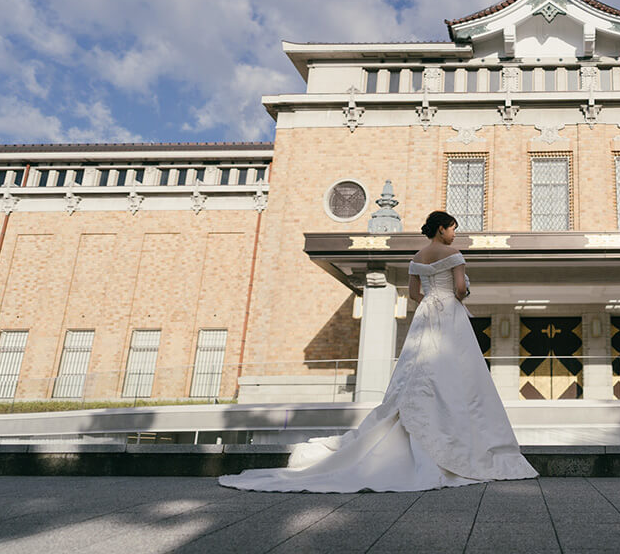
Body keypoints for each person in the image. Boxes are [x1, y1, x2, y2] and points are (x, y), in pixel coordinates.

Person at [220, 210, 537, 492]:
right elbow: (457, 289)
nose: (455, 233)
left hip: (427, 313)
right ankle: (456, 437)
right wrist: (465, 290)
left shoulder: (417, 257)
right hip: (450, 314)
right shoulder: (453, 253)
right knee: (459, 371)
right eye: (452, 228)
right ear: (441, 229)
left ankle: (412, 423)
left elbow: (413, 294)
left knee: (417, 368)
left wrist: (430, 299)